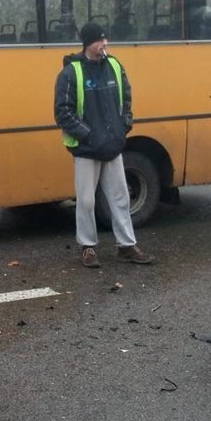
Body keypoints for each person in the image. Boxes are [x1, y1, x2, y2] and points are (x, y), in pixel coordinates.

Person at [54, 22, 155, 268]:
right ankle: (88, 248)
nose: (105, 44)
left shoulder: (115, 66)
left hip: (112, 146)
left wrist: (123, 128)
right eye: (100, 40)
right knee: (87, 201)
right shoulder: (71, 72)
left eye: (106, 39)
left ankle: (127, 246)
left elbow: (127, 100)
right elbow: (63, 113)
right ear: (88, 44)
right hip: (87, 148)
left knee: (121, 197)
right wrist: (89, 136)